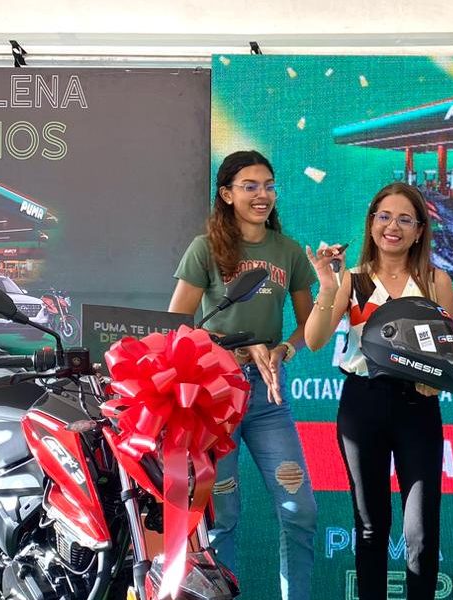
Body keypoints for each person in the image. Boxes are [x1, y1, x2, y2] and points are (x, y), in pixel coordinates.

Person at [168, 150, 316, 600]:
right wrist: (234, 346)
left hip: (269, 397)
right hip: (216, 398)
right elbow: (177, 324)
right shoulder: (205, 248)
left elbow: (310, 324)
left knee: (300, 511)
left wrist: (284, 349)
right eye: (249, 186)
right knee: (223, 516)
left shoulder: (288, 251)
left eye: (268, 186)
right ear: (227, 194)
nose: (261, 195)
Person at [303, 182, 453, 600]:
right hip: (363, 405)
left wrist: (434, 377)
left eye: (405, 219)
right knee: (370, 528)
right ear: (371, 224)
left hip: (417, 410)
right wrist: (327, 286)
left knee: (421, 532)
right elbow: (314, 340)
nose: (393, 227)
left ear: (420, 230)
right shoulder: (352, 280)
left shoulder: (436, 281)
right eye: (385, 217)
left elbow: (447, 357)